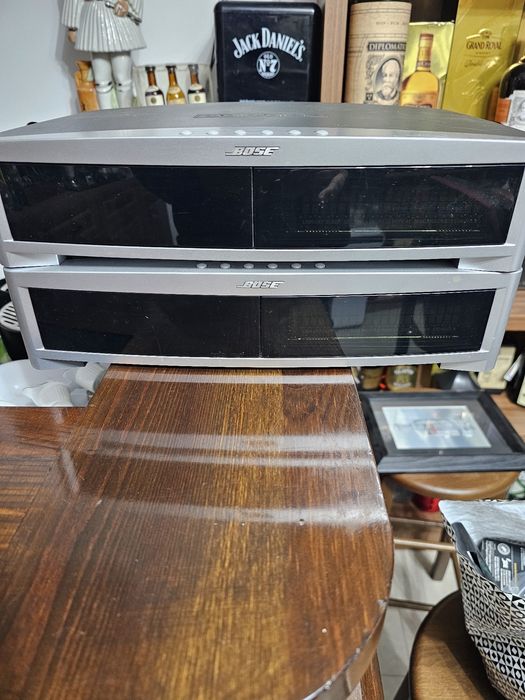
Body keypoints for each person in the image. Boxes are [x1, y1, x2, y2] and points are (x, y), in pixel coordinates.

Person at [62, 0, 145, 109]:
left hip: (117, 14)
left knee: (123, 78)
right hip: (94, 18)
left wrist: (126, 4)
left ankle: (126, 112)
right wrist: (72, 26)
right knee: (101, 79)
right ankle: (106, 114)